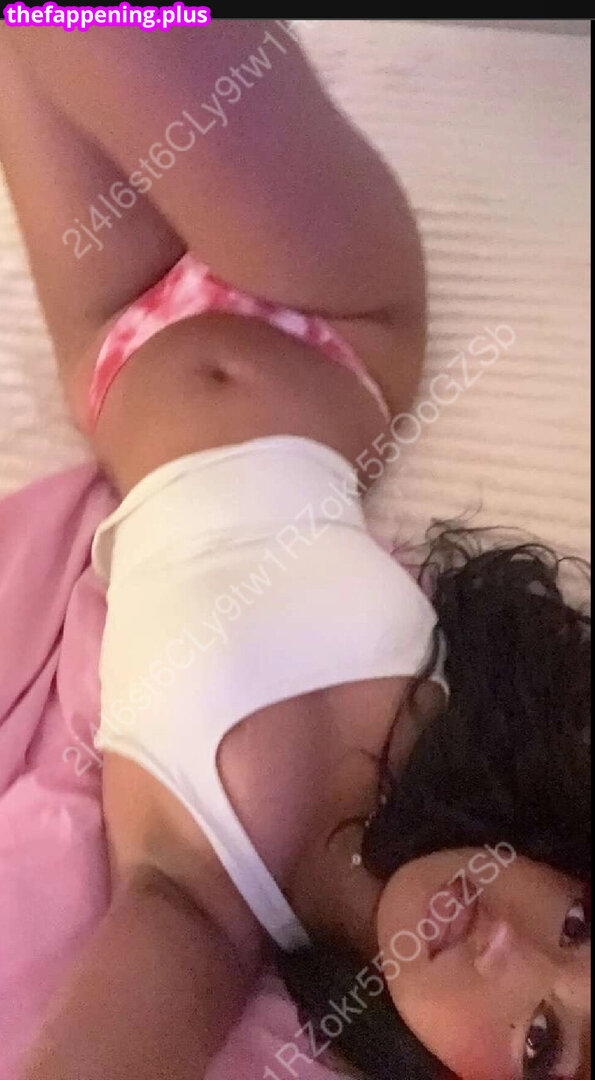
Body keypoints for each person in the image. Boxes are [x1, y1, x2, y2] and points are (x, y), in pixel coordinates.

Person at [1, 21, 590, 1080]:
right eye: (580, 928)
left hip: (112, 345)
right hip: (333, 311)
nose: (507, 943)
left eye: (541, 1039)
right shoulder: (481, 730)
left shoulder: (205, 916)